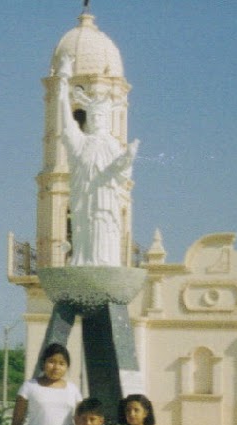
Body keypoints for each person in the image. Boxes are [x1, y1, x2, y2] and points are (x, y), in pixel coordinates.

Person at [54, 53, 140, 267]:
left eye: (100, 116)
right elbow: (64, 120)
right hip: (84, 205)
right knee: (84, 226)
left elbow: (120, 172)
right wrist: (63, 82)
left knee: (104, 226)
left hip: (106, 203)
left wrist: (128, 157)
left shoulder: (112, 144)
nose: (95, 120)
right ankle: (82, 260)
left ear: (108, 119)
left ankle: (106, 262)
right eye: (92, 116)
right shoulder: (80, 143)